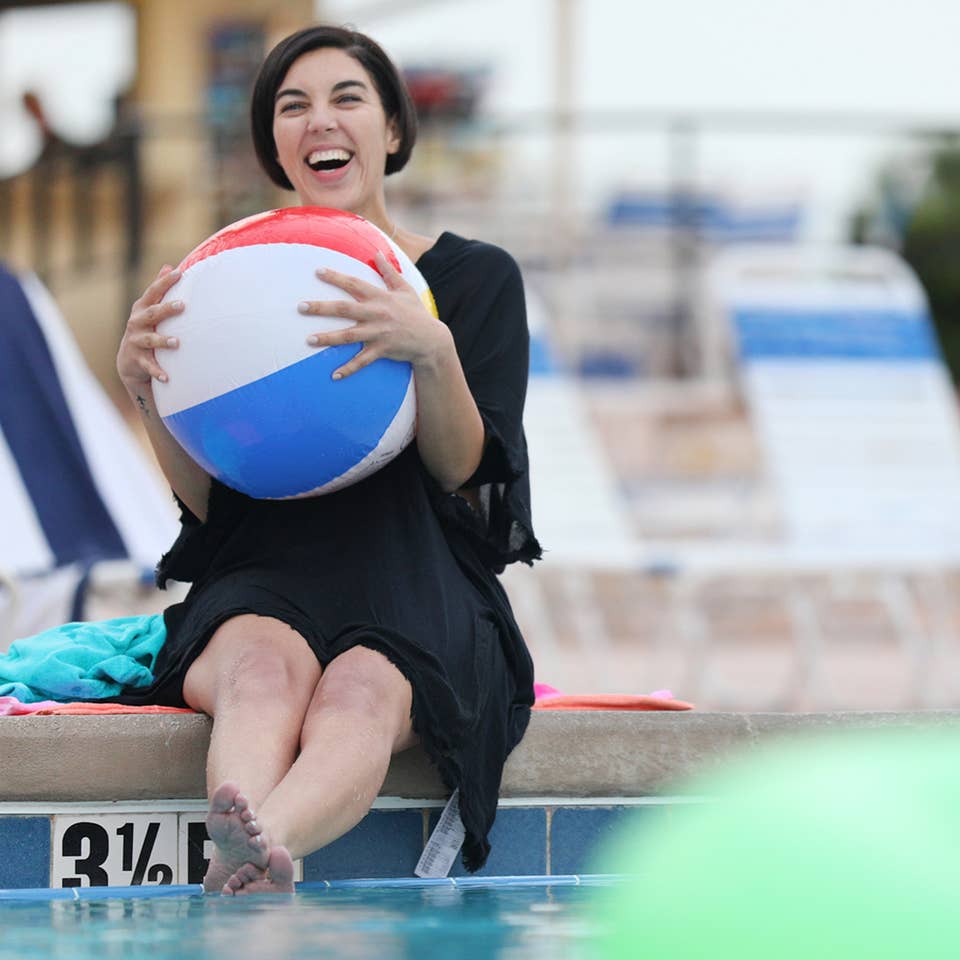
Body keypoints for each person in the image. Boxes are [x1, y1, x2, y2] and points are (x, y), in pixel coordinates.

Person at [115, 24, 540, 894]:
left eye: (347, 98)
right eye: (292, 106)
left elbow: (466, 473)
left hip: (415, 574)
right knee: (262, 678)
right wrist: (144, 390)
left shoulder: (475, 278)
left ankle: (259, 842)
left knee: (357, 698)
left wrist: (432, 351)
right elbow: (206, 498)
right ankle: (256, 858)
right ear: (274, 142)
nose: (320, 122)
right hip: (268, 563)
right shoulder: (223, 284)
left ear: (391, 130)